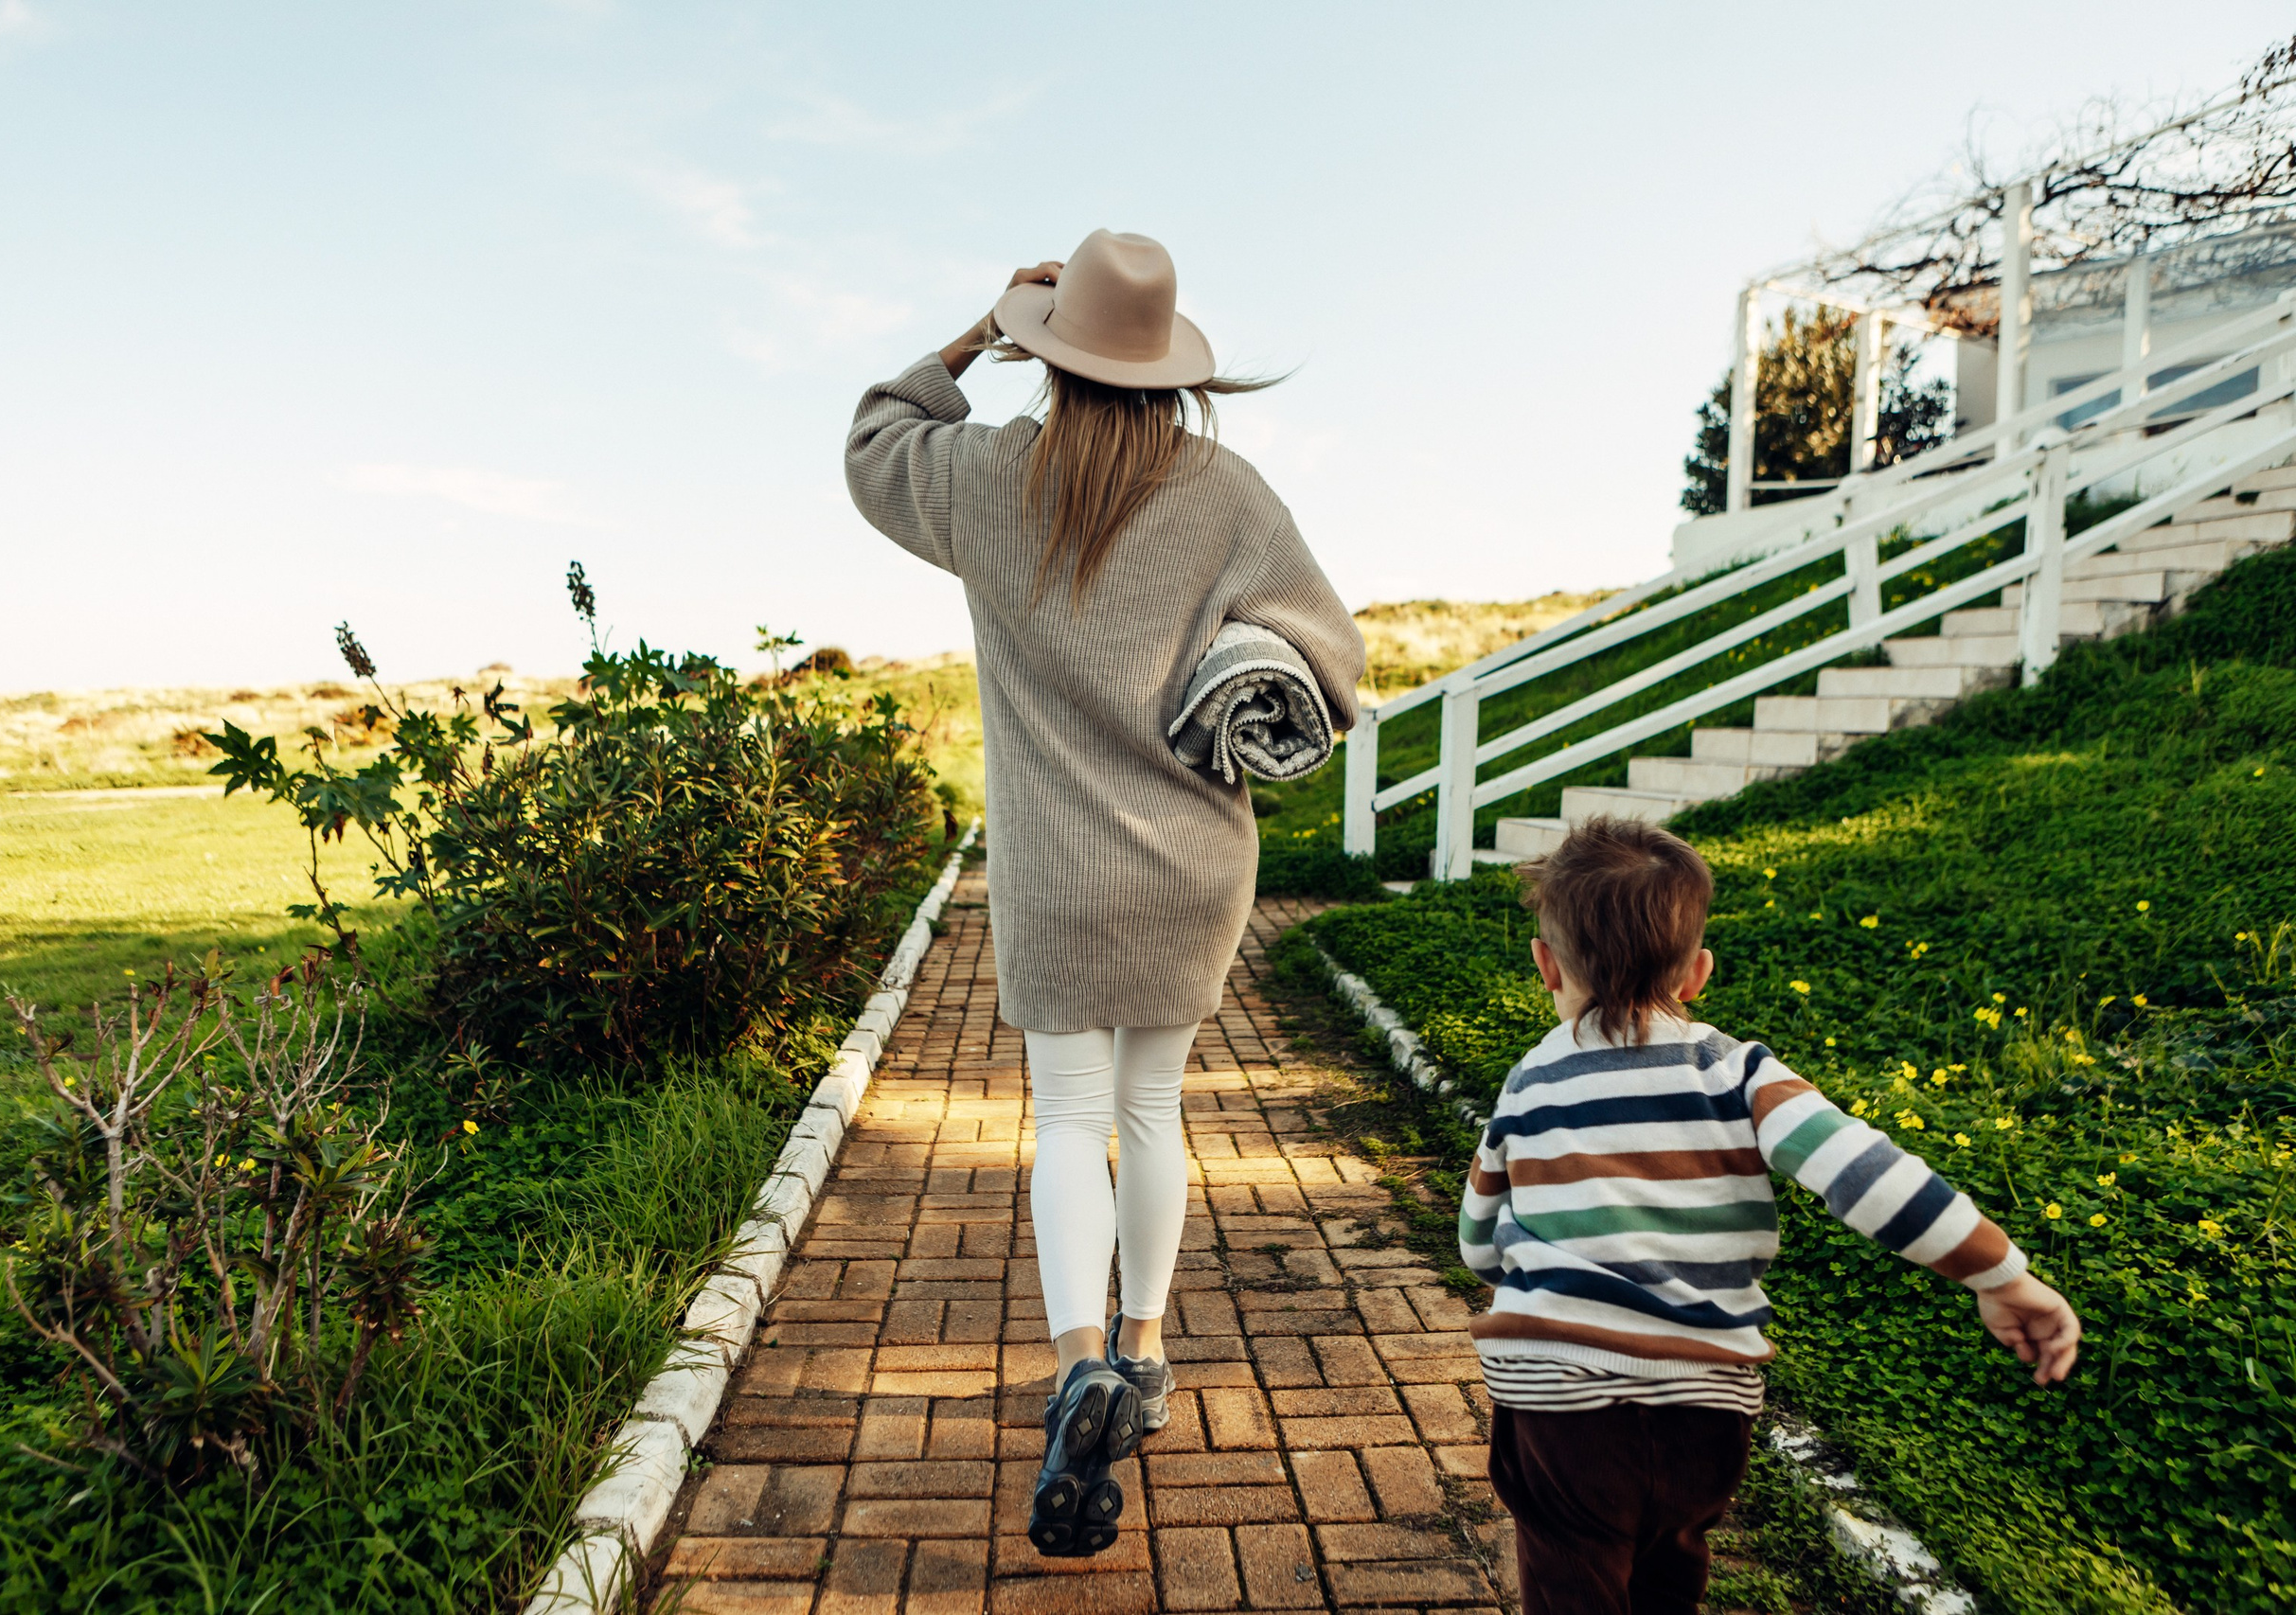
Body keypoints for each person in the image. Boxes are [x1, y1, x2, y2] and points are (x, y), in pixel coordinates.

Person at [844, 230, 1366, 1556]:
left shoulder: (978, 478)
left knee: (1071, 1115)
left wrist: (976, 332)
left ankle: (1079, 1356)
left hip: (1056, 873)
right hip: (1195, 858)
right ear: (1170, 370)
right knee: (1155, 1106)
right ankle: (1142, 1358)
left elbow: (871, 439)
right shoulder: (1229, 493)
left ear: (1053, 352)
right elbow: (1332, 656)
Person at [1460, 816, 2081, 1615]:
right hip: (1707, 1401)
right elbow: (1867, 1172)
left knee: (1571, 1573)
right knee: (1670, 1560)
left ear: (1545, 964)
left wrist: (1496, 1265)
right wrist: (2000, 1273)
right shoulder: (1738, 1072)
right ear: (1698, 975)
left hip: (1560, 1400)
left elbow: (1480, 1233)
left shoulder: (1529, 1084)